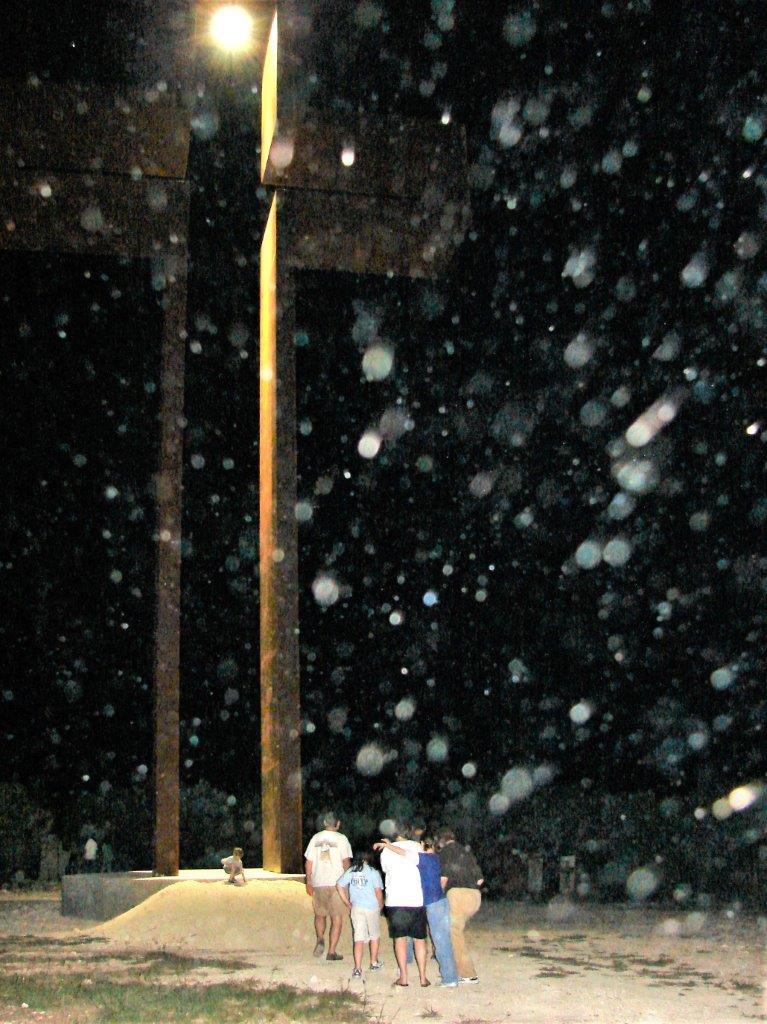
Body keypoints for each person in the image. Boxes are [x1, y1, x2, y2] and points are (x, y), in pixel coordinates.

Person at [375, 834, 459, 988]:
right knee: (421, 940)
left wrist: (388, 846)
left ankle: (447, 978)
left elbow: (403, 853)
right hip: (425, 902)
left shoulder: (423, 858)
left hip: (425, 903)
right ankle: (423, 978)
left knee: (426, 940)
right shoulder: (435, 859)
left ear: (422, 845)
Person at [374, 822, 430, 988]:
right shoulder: (417, 847)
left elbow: (385, 869)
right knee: (420, 940)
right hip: (416, 899)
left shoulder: (387, 850)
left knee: (400, 940)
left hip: (396, 900)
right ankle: (422, 977)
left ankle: (404, 977)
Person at [434, 827, 484, 984]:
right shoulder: (466, 852)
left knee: (453, 933)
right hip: (475, 896)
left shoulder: (445, 852)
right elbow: (480, 880)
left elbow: (443, 878)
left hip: (457, 894)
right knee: (457, 932)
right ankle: (459, 968)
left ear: (441, 841)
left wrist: (438, 897)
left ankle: (468, 974)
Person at [304, 812, 352, 961]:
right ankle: (331, 951)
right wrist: (348, 882)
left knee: (320, 914)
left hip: (319, 882)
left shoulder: (315, 839)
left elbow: (309, 862)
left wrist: (309, 881)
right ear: (338, 824)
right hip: (337, 883)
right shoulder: (342, 839)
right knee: (336, 917)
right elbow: (346, 862)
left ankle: (320, 938)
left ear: (325, 823)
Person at [336, 850, 384, 978]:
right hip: (371, 907)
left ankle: (357, 968)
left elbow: (339, 885)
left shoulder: (352, 871)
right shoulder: (373, 872)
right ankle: (373, 962)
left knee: (359, 938)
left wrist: (347, 902)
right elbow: (378, 891)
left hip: (356, 908)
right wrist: (381, 904)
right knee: (374, 935)